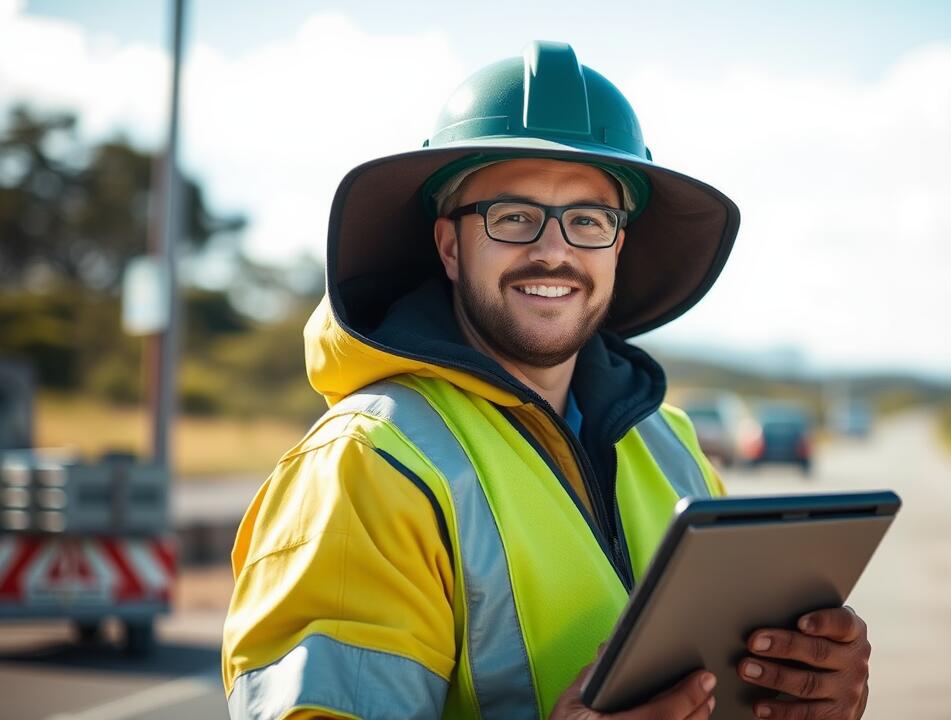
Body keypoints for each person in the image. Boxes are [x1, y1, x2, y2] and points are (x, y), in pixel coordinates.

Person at [221, 41, 871, 720]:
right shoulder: (366, 464)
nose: (553, 250)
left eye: (588, 220)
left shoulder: (673, 447)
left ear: (618, 246)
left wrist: (801, 693)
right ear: (450, 246)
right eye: (513, 216)